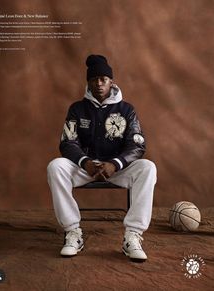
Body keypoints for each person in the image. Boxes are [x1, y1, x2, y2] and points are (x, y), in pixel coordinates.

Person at [47, 54, 157, 261]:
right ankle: (73, 232)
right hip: (85, 168)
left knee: (148, 167)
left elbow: (137, 144)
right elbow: (67, 142)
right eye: (94, 79)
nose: (98, 83)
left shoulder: (126, 110)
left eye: (103, 79)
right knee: (56, 166)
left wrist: (115, 164)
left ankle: (133, 235)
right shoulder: (77, 109)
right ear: (88, 82)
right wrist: (85, 162)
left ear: (111, 82)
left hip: (117, 169)